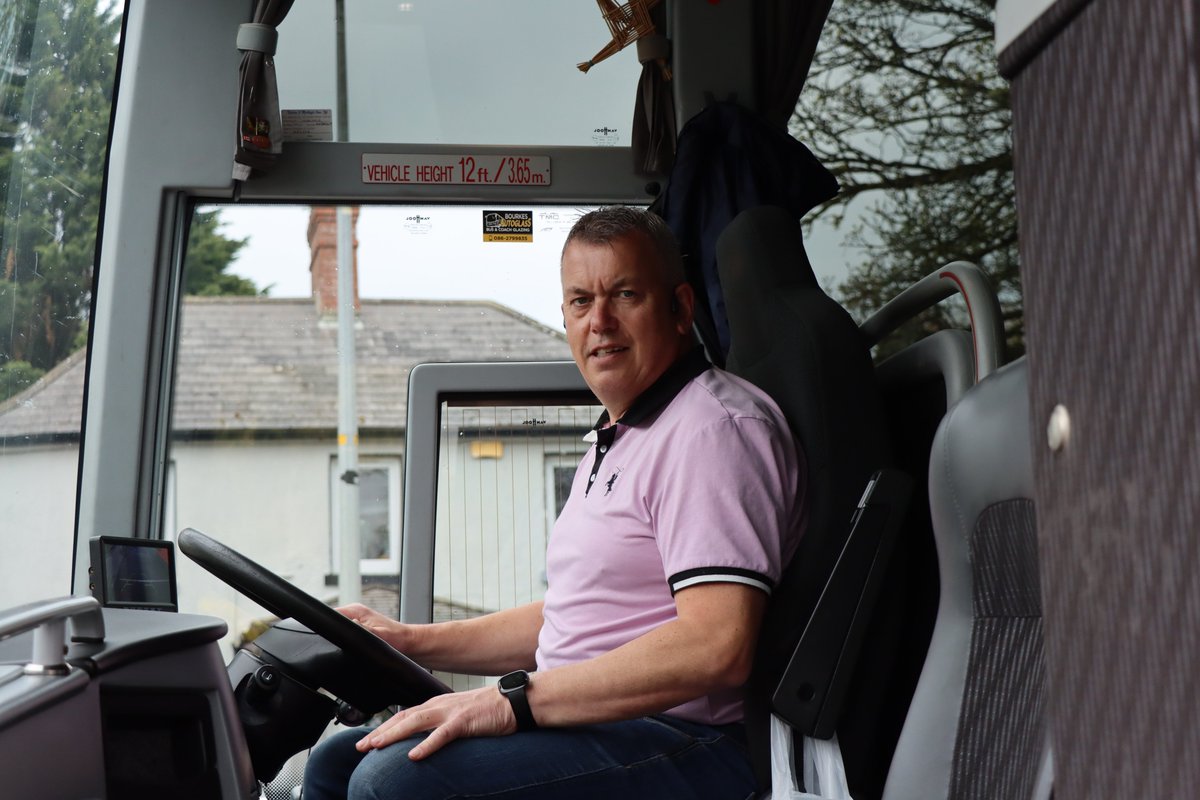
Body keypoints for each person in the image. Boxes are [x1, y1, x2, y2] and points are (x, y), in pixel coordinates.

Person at [303, 206, 807, 799]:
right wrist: (407, 639)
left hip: (694, 741)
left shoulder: (713, 431)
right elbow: (572, 617)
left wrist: (513, 701)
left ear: (680, 309)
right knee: (340, 759)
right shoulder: (624, 436)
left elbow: (717, 645)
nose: (600, 321)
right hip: (607, 722)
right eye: (579, 302)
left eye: (624, 294)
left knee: (391, 783)